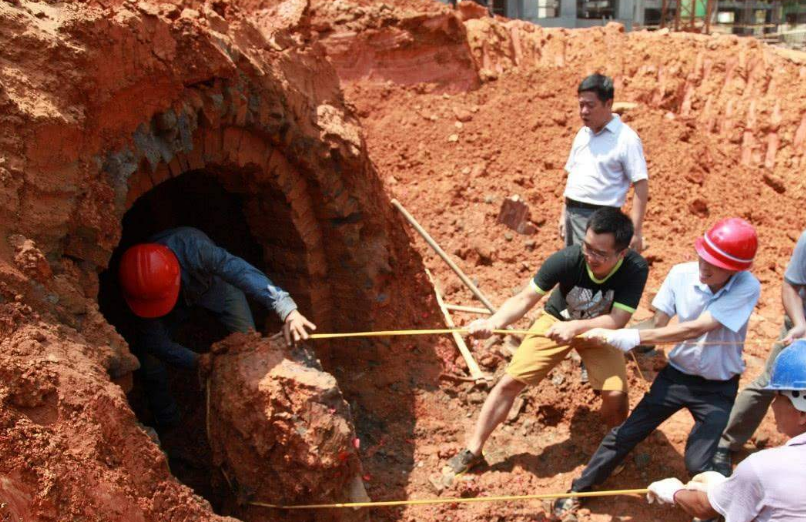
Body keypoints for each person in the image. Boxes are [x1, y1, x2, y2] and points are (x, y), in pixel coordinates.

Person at [554, 218, 760, 516]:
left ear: (736, 270)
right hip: (676, 378)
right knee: (624, 435)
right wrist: (609, 334)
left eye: (715, 264)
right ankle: (579, 489)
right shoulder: (680, 275)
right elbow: (658, 324)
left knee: (697, 464)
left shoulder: (747, 286)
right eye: (703, 257)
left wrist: (635, 335)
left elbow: (696, 329)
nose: (704, 267)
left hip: (718, 388)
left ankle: (715, 504)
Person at [446, 208, 649, 475]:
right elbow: (524, 299)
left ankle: (611, 451)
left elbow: (617, 320)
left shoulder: (635, 269)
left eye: (600, 253)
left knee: (616, 395)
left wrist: (575, 327)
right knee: (509, 382)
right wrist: (493, 323)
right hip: (555, 321)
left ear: (621, 253)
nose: (590, 257)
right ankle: (473, 450)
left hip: (598, 331)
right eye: (587, 247)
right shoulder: (567, 259)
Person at [119, 226, 315, 427]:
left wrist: (287, 309)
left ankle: (253, 412)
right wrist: (198, 360)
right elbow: (156, 342)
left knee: (249, 343)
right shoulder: (140, 286)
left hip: (212, 288)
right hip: (170, 310)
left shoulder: (196, 250)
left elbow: (240, 271)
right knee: (150, 363)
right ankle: (168, 423)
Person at [645, 340, 806, 521]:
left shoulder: (763, 467)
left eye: (778, 397)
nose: (774, 405)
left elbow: (705, 508)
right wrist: (728, 489)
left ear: (801, 412)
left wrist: (674, 492)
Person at [711, 229, 806, 476]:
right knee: (773, 382)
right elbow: (791, 285)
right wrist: (799, 324)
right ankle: (725, 443)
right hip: (802, 325)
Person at [559, 73, 648, 253]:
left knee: (590, 274)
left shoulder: (625, 139)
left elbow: (640, 183)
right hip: (573, 214)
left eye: (590, 105)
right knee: (571, 270)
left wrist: (636, 232)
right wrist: (564, 214)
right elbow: (573, 177)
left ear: (608, 104)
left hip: (601, 221)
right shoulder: (582, 134)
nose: (584, 111)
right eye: (581, 105)